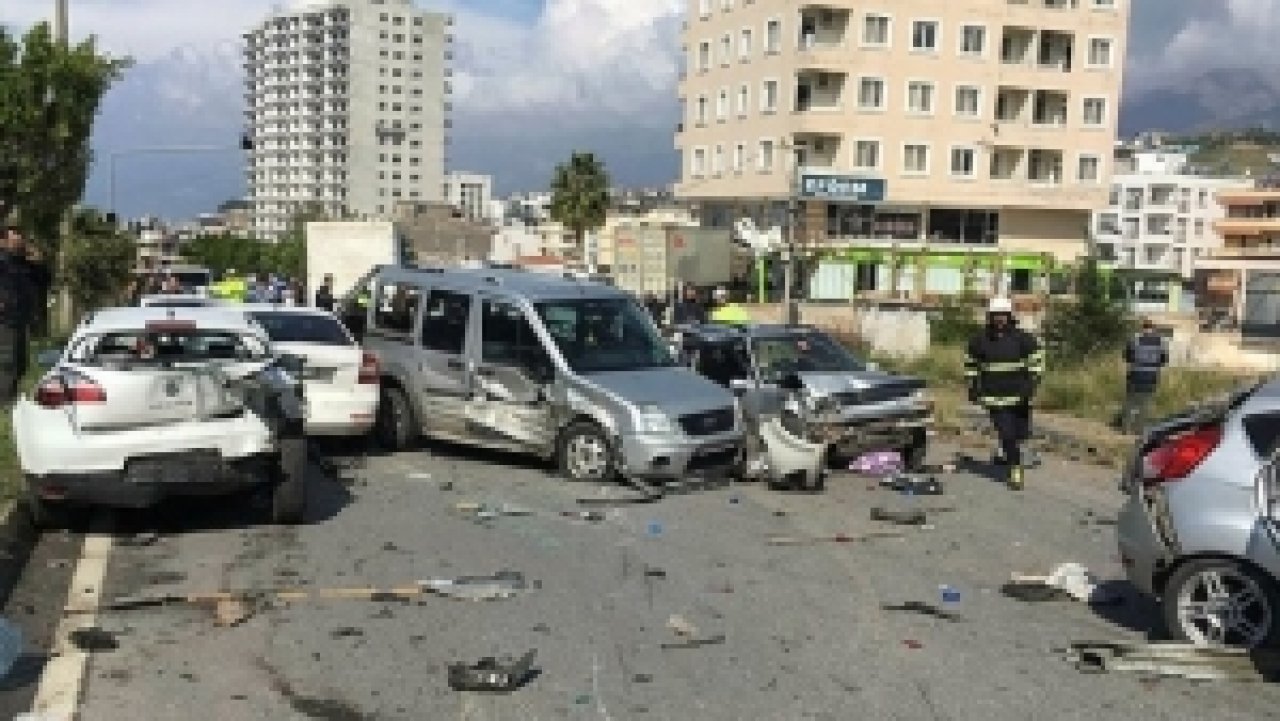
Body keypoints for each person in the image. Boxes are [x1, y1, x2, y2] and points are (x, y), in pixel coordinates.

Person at [964, 297, 1045, 490]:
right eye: (995, 315)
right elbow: (970, 365)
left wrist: (1032, 384)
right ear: (990, 317)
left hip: (1020, 397)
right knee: (1006, 434)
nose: (999, 319)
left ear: (1009, 316)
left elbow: (1038, 362)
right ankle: (1015, 470)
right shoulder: (979, 340)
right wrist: (973, 385)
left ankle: (1007, 454)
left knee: (1020, 434)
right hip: (994, 398)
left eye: (1003, 315)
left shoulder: (1023, 339)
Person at [0, 228, 39, 406]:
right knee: (8, 362)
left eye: (20, 241)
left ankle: (11, 397)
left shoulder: (22, 264)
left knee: (21, 363)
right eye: (15, 241)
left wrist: (37, 260)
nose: (19, 244)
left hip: (21, 318)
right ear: (3, 242)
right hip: (5, 320)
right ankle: (5, 402)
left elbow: (43, 279)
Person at [1119, 317, 1168, 434]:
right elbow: (1164, 360)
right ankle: (1139, 430)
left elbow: (1126, 357)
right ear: (1153, 329)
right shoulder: (1161, 342)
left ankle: (1125, 429)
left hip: (1135, 374)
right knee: (1145, 403)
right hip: (1151, 376)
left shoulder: (1134, 340)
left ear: (1142, 328)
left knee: (1130, 401)